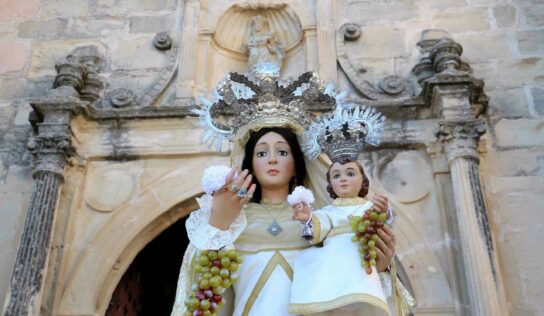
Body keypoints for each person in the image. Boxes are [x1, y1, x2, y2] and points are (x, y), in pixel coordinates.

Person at [171, 69, 399, 316]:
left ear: (296, 163)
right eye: (261, 153)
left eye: (282, 152)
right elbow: (203, 294)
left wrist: (378, 270)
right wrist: (218, 225)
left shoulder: (321, 220)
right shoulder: (233, 223)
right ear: (250, 163)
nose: (272, 160)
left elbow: (348, 283)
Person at [289, 158, 393, 315]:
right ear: (330, 184)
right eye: (336, 176)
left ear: (363, 181)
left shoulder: (368, 207)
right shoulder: (329, 211)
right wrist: (307, 218)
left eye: (350, 173)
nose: (343, 179)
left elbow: (381, 220)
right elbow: (318, 228)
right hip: (335, 262)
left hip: (361, 260)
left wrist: (383, 208)